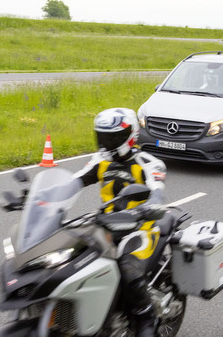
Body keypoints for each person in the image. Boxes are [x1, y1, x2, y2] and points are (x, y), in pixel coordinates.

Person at [72, 107, 167, 337]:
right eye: (101, 137)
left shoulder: (148, 162)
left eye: (111, 137)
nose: (105, 143)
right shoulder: (100, 161)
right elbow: (73, 182)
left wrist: (151, 205)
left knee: (128, 269)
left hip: (140, 228)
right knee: (71, 259)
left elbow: (157, 190)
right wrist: (40, 195)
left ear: (129, 134)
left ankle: (146, 319)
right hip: (106, 225)